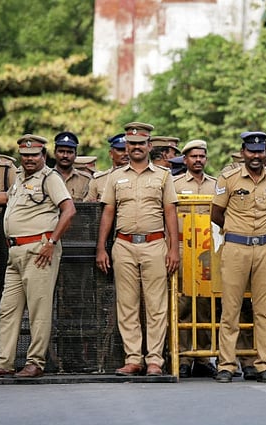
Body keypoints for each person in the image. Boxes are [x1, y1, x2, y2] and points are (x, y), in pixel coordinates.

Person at [0, 135, 75, 379]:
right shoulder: (20, 177)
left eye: (34, 155)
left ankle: (35, 362)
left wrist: (52, 242)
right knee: (7, 309)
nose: (29, 159)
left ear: (43, 156)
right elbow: (8, 197)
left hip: (39, 249)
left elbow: (69, 209)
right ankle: (4, 362)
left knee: (39, 310)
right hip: (15, 251)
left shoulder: (50, 177)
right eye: (25, 155)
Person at [96, 122, 179, 377]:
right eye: (131, 144)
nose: (135, 148)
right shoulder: (115, 176)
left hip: (155, 244)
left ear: (149, 146)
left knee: (156, 305)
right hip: (123, 244)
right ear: (126, 146)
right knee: (127, 304)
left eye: (141, 144)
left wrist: (173, 249)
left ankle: (154, 360)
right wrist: (102, 247)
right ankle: (133, 359)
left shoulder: (163, 176)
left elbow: (170, 212)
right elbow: (108, 211)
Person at [211, 131, 266, 383]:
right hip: (235, 248)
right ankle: (226, 365)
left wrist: (262, 235)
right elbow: (216, 213)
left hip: (265, 247)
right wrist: (238, 231)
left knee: (264, 311)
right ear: (243, 152)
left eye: (260, 152)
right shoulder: (229, 178)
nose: (256, 156)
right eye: (251, 151)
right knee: (230, 309)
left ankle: (265, 365)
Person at [173, 139, 217, 378]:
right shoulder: (175, 184)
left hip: (207, 249)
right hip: (181, 246)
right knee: (182, 304)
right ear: (185, 160)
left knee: (205, 305)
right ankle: (183, 356)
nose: (198, 160)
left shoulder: (216, 185)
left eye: (202, 156)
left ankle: (202, 357)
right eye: (193, 157)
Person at [86, 134, 127, 203]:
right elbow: (89, 208)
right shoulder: (98, 180)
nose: (126, 154)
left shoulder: (139, 177)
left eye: (129, 150)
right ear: (111, 154)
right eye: (121, 150)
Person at [53, 132, 90, 202]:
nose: (65, 156)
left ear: (75, 154)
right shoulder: (46, 177)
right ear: (54, 153)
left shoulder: (86, 180)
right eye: (61, 151)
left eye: (69, 152)